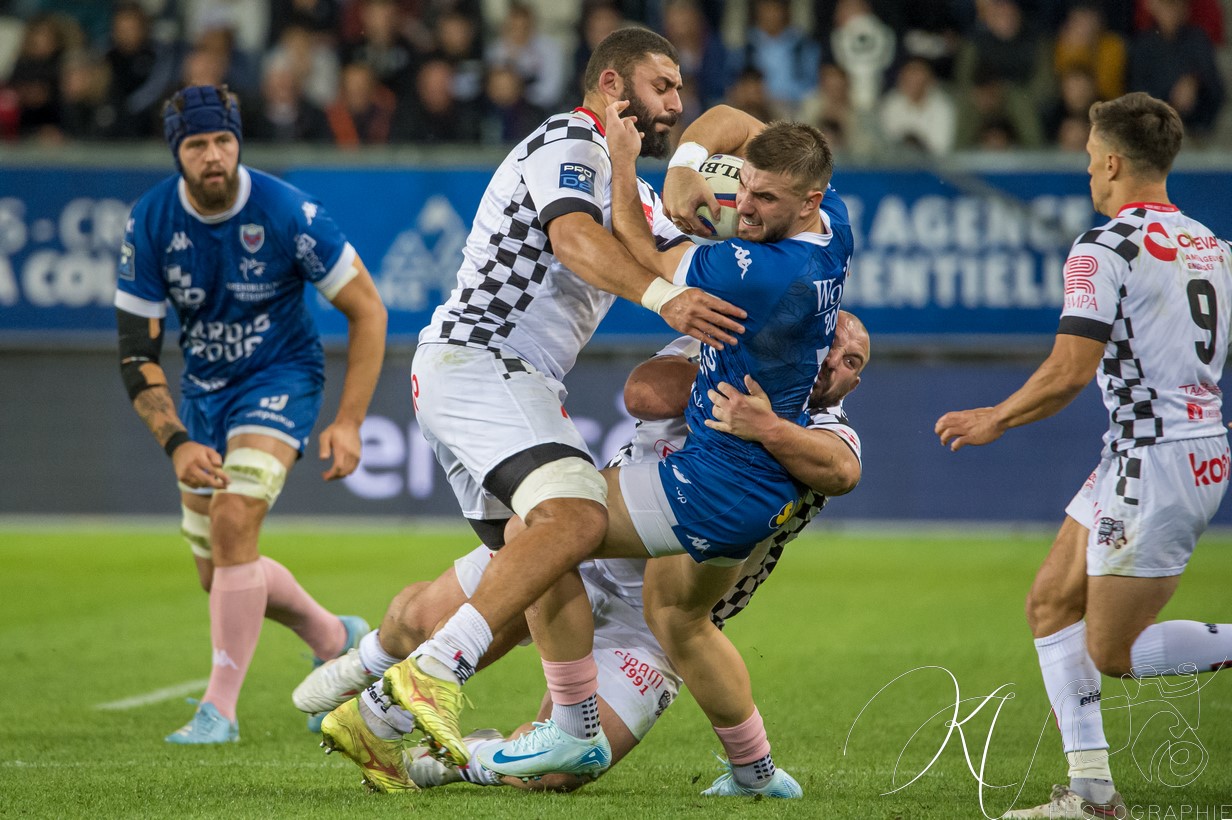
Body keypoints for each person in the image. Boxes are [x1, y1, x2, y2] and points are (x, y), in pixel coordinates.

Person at [334, 26, 747, 772]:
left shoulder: (624, 180)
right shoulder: (572, 138)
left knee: (547, 563)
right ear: (613, 86)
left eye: (682, 91)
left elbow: (669, 249)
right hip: (484, 358)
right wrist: (662, 299)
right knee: (579, 516)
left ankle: (396, 721)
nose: (675, 106)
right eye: (663, 87)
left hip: (484, 375)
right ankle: (428, 675)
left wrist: (758, 248)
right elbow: (576, 240)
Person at [440, 108, 851, 793]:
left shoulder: (762, 270)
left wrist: (630, 163)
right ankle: (755, 773)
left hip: (708, 487)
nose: (742, 209)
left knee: (540, 529)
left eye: (763, 199)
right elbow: (731, 119)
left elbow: (637, 248)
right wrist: (689, 162)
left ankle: (570, 726)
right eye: (743, 188)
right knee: (685, 623)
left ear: (805, 200)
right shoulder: (831, 223)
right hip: (753, 499)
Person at [296, 311, 869, 793]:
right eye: (830, 345)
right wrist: (734, 379)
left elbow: (842, 471)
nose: (832, 364)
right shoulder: (724, 351)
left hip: (653, 622)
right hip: (586, 545)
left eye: (851, 363)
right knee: (416, 622)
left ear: (853, 385)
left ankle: (457, 758)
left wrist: (765, 426)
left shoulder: (826, 431)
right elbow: (642, 392)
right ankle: (364, 661)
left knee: (553, 779)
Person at [934, 92, 1232, 819]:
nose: (1087, 171)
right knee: (1049, 602)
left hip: (1153, 457)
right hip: (1172, 448)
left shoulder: (1105, 246)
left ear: (1110, 161)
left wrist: (994, 418)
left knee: (1112, 652)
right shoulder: (1211, 244)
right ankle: (1093, 792)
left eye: (1088, 158)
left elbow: (1069, 370)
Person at [114, 84, 387, 744]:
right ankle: (334, 635)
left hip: (283, 378)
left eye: (223, 141)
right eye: (197, 145)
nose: (213, 156)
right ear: (177, 154)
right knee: (220, 573)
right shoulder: (150, 222)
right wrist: (176, 440)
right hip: (205, 397)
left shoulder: (289, 212)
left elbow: (368, 310)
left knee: (235, 518)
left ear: (238, 141)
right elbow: (135, 352)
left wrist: (348, 420)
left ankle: (219, 711)